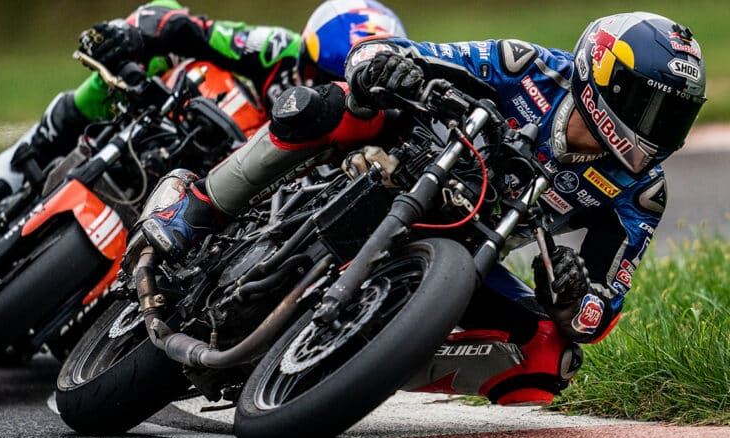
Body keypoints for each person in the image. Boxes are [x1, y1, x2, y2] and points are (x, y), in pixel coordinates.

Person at [140, 11, 706, 404]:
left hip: (468, 244)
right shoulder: (526, 65)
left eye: (673, 118)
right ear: (602, 77)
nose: (657, 130)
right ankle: (198, 204)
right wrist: (384, 65)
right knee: (325, 104)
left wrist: (572, 299)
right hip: (401, 159)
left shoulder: (641, 192)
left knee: (548, 364)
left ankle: (355, 367)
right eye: (647, 106)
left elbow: (599, 312)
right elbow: (401, 54)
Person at [0, 0, 407, 211]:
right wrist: (135, 34)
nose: (322, 91)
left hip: (233, 194)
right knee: (159, 51)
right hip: (189, 122)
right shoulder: (277, 49)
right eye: (316, 75)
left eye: (338, 84)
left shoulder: (373, 131)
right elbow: (191, 26)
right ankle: (35, 148)